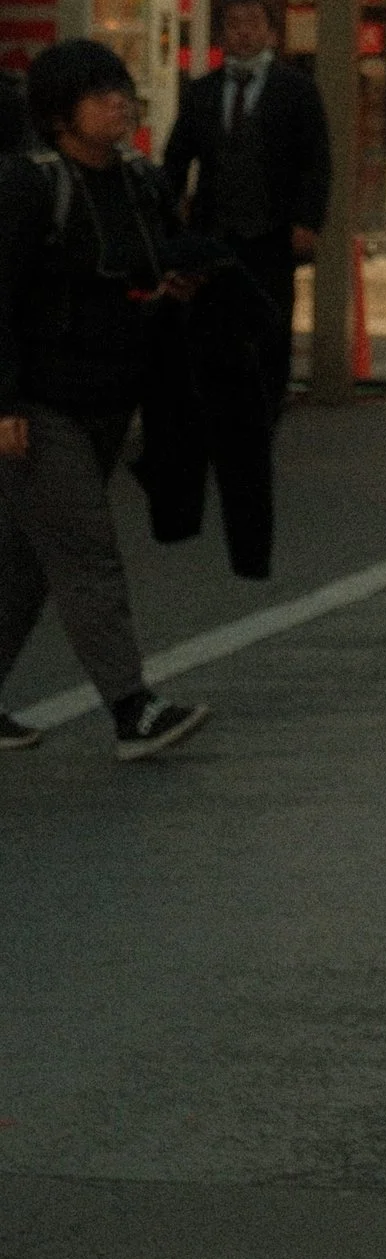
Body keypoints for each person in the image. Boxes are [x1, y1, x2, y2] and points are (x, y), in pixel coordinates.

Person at [0, 41, 211, 762]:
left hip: (109, 398)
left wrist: (178, 284)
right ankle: (132, 708)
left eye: (122, 89)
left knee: (27, 560)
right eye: (100, 93)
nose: (118, 102)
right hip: (37, 404)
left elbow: (154, 262)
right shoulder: (31, 187)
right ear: (61, 114)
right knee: (87, 552)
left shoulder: (138, 182)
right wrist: (3, 405)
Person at [161, 0, 331, 354]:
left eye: (254, 24)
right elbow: (177, 156)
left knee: (270, 316)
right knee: (211, 319)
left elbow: (316, 161)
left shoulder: (296, 90)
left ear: (271, 34)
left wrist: (307, 222)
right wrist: (169, 217)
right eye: (234, 25)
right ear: (221, 35)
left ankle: (269, 396)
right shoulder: (202, 91)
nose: (244, 33)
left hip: (272, 226)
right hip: (213, 225)